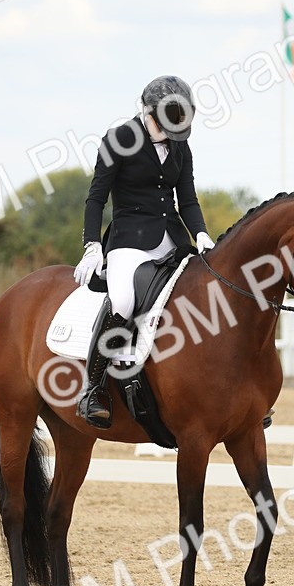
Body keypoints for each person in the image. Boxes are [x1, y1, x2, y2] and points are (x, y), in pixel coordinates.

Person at [73, 75, 215, 428]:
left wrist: (201, 234)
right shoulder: (119, 139)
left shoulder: (180, 145)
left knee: (207, 293)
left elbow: (188, 200)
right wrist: (92, 245)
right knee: (122, 301)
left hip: (173, 238)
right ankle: (93, 388)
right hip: (129, 239)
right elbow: (96, 198)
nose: (169, 134)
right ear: (147, 112)